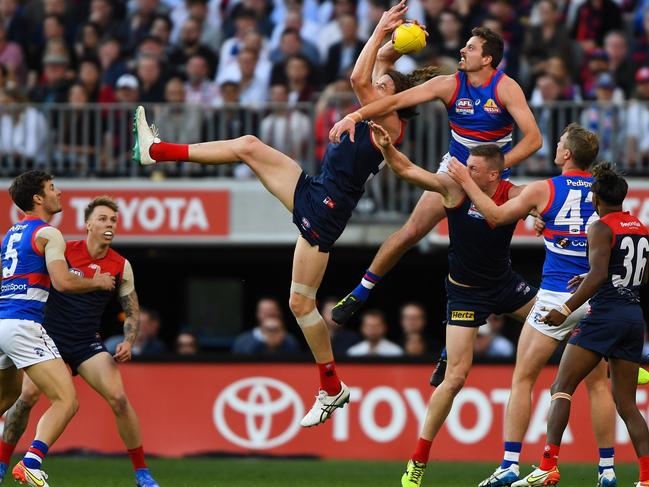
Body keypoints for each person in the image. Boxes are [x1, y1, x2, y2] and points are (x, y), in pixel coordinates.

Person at [132, 0, 436, 428]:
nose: (375, 82)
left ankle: (331, 387)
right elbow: (381, 62)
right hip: (316, 189)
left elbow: (358, 74)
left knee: (299, 303)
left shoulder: (388, 117)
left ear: (393, 96)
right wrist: (396, 34)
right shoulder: (385, 105)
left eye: (383, 84)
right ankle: (156, 151)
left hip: (327, 210)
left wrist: (382, 28)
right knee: (249, 145)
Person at [328, 26, 541, 335]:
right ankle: (360, 292)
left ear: (488, 59)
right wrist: (354, 117)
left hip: (494, 180)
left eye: (470, 48)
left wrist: (491, 169)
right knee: (410, 232)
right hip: (454, 172)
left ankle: (452, 343)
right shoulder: (448, 84)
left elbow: (533, 140)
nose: (462, 51)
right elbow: (392, 103)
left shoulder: (506, 88)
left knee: (485, 255)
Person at [448, 123, 619, 486]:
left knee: (523, 379)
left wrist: (465, 179)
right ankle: (606, 471)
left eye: (559, 144)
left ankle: (509, 464)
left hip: (556, 297)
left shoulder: (544, 189)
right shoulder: (602, 193)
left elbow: (495, 217)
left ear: (567, 154)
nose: (555, 148)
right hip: (594, 300)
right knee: (598, 387)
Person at [366, 123, 536, 487]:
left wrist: (539, 220)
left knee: (563, 323)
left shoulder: (511, 192)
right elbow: (408, 171)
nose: (464, 168)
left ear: (494, 173)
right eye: (465, 165)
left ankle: (620, 366)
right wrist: (387, 150)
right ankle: (418, 462)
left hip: (505, 285)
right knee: (455, 379)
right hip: (465, 293)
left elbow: (539, 210)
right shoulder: (453, 188)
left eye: (472, 167)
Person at [0, 196, 159, 487]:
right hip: (48, 339)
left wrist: (128, 340)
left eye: (113, 220)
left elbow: (132, 308)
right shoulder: (64, 251)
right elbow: (50, 281)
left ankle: (142, 473)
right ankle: (2, 463)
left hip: (86, 343)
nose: (109, 224)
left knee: (120, 399)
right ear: (87, 225)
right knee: (25, 400)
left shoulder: (121, 265)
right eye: (102, 219)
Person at [513, 163, 649, 487]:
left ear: (596, 197)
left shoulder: (600, 227)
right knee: (627, 405)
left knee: (561, 387)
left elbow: (601, 274)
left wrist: (564, 309)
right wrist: (589, 279)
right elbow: (629, 273)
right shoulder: (640, 226)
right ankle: (645, 478)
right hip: (633, 317)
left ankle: (547, 465)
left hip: (603, 317)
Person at [0, 171, 115, 486]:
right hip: (23, 324)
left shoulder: (11, 233)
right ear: (38, 198)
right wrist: (97, 281)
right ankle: (31, 463)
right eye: (52, 188)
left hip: (2, 324)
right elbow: (63, 282)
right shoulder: (49, 234)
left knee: (6, 397)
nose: (59, 192)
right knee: (67, 400)